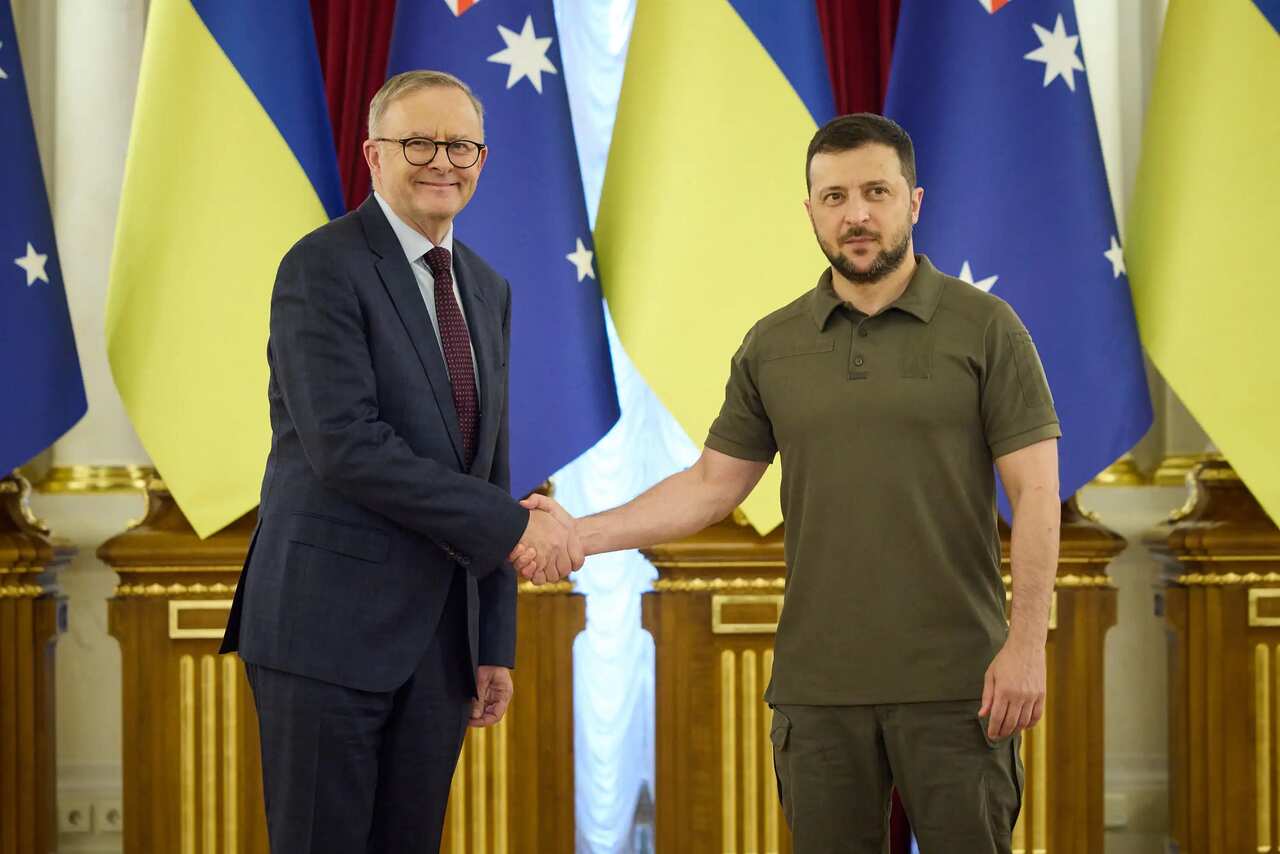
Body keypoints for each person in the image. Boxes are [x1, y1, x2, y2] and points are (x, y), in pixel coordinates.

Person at [518, 113, 1061, 854]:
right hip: (818, 692)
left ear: (914, 202)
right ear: (810, 211)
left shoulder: (988, 328)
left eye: (875, 192)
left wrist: (1026, 646)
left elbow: (1035, 494)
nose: (856, 214)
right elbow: (711, 486)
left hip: (962, 686)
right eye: (834, 197)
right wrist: (579, 533)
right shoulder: (773, 345)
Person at [220, 70, 580, 854]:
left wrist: (492, 640)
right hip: (325, 633)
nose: (442, 161)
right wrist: (515, 526)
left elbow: (489, 465)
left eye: (461, 146)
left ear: (482, 160)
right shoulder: (321, 266)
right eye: (418, 143)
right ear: (373, 156)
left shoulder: (486, 287)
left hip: (440, 647)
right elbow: (346, 445)